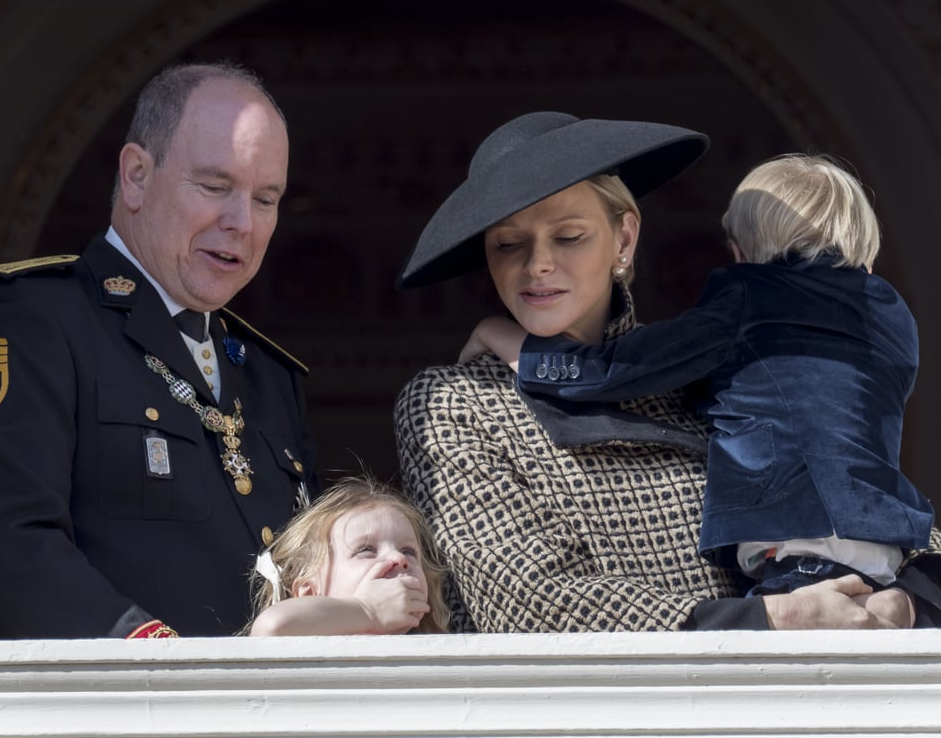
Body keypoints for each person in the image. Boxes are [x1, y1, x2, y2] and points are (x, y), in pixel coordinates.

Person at [394, 111, 941, 633]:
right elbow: (526, 600)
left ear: (624, 240)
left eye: (569, 236)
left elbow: (856, 484)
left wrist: (909, 601)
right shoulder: (455, 401)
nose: (537, 263)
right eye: (508, 243)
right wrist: (773, 621)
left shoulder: (715, 371)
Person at [0, 62, 319, 639]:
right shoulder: (32, 317)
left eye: (266, 198)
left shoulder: (266, 372)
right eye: (215, 186)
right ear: (136, 175)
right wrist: (153, 661)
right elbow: (11, 542)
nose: (242, 222)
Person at [243, 472, 449, 635]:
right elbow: (273, 627)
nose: (399, 558)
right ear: (308, 593)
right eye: (366, 549)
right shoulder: (304, 643)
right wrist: (367, 610)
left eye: (409, 551)